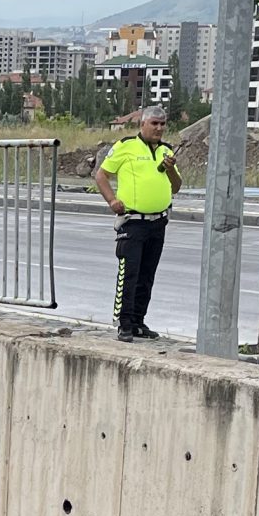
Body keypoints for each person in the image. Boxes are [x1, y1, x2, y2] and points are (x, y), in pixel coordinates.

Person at [95, 107, 180, 342]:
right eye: (154, 123)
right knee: (129, 273)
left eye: (163, 124)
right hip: (133, 222)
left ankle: (138, 321)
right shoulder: (126, 146)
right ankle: (124, 323)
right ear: (142, 124)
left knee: (147, 274)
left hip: (158, 222)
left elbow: (176, 186)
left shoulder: (166, 150)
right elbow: (101, 175)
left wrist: (171, 169)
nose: (159, 128)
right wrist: (112, 200)